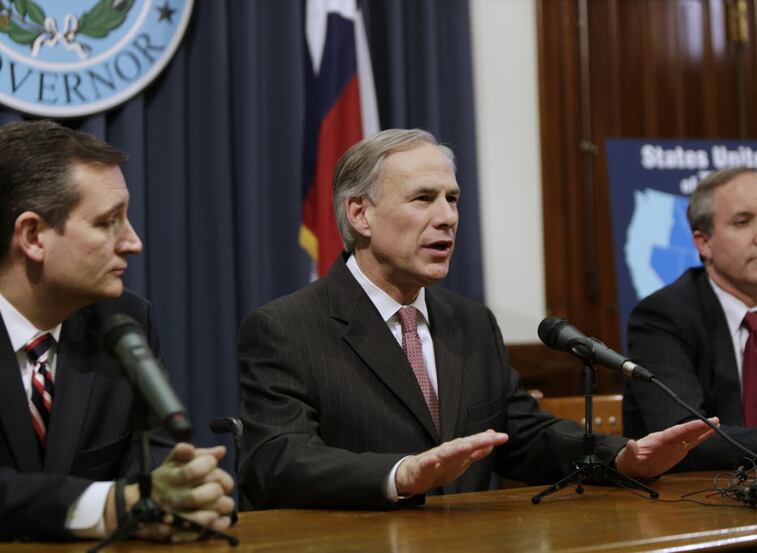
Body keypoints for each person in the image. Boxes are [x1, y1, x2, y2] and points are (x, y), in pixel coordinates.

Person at [238, 128, 715, 509]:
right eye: (424, 199)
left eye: (453, 199)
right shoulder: (286, 327)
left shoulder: (471, 322)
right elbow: (276, 460)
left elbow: (523, 435)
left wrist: (623, 456)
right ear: (360, 215)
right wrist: (400, 474)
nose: (447, 217)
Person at [0, 120, 235, 540]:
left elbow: (155, 466)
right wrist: (115, 505)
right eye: (109, 221)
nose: (133, 242)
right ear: (33, 235)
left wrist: (189, 495)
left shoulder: (124, 323)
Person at [624, 167, 757, 470]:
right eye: (743, 222)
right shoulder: (662, 318)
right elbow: (683, 440)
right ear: (703, 243)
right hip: (688, 504)